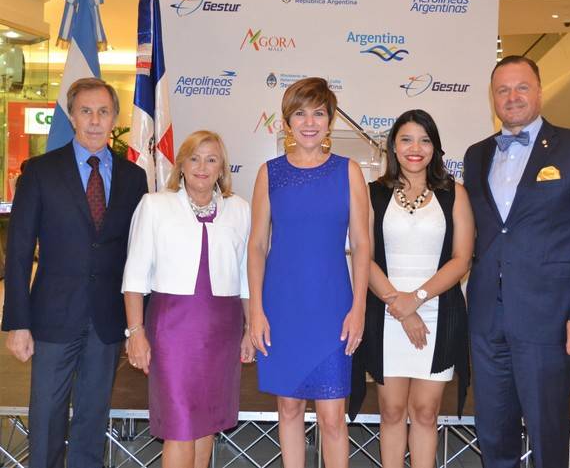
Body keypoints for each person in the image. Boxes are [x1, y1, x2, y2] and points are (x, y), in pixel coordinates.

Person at [463, 55, 570, 468]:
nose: (512, 97)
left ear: (539, 91)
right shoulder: (476, 155)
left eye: (521, 87)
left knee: (548, 437)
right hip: (486, 319)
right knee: (493, 435)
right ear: (492, 97)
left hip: (551, 321)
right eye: (502, 90)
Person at [1, 77, 148, 468]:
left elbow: (140, 254)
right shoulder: (39, 171)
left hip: (107, 320)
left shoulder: (135, 179)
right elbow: (17, 252)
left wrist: (140, 325)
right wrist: (17, 322)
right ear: (71, 116)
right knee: (46, 418)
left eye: (103, 112)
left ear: (116, 117)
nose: (95, 121)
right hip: (51, 319)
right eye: (86, 111)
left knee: (92, 419)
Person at [248, 77, 370, 468]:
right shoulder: (270, 173)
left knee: (333, 417)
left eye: (318, 113)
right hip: (281, 307)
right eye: (299, 113)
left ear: (331, 120)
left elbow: (364, 246)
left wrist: (359, 308)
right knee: (288, 407)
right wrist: (255, 310)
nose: (309, 122)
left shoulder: (348, 172)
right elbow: (257, 245)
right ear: (286, 122)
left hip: (333, 307)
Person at [348, 109, 474, 468]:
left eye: (424, 140)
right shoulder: (373, 194)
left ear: (435, 147)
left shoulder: (454, 194)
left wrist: (416, 300)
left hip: (438, 313)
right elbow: (363, 255)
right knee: (390, 411)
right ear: (393, 146)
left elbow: (461, 259)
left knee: (425, 411)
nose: (415, 148)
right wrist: (397, 304)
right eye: (406, 139)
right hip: (386, 312)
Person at [122, 130, 254, 468]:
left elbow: (246, 279)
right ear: (181, 164)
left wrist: (250, 328)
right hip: (172, 331)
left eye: (211, 159)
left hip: (222, 332)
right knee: (180, 427)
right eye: (194, 158)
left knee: (206, 424)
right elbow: (134, 276)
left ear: (222, 168)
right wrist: (135, 333)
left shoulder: (239, 209)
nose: (202, 167)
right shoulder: (155, 205)